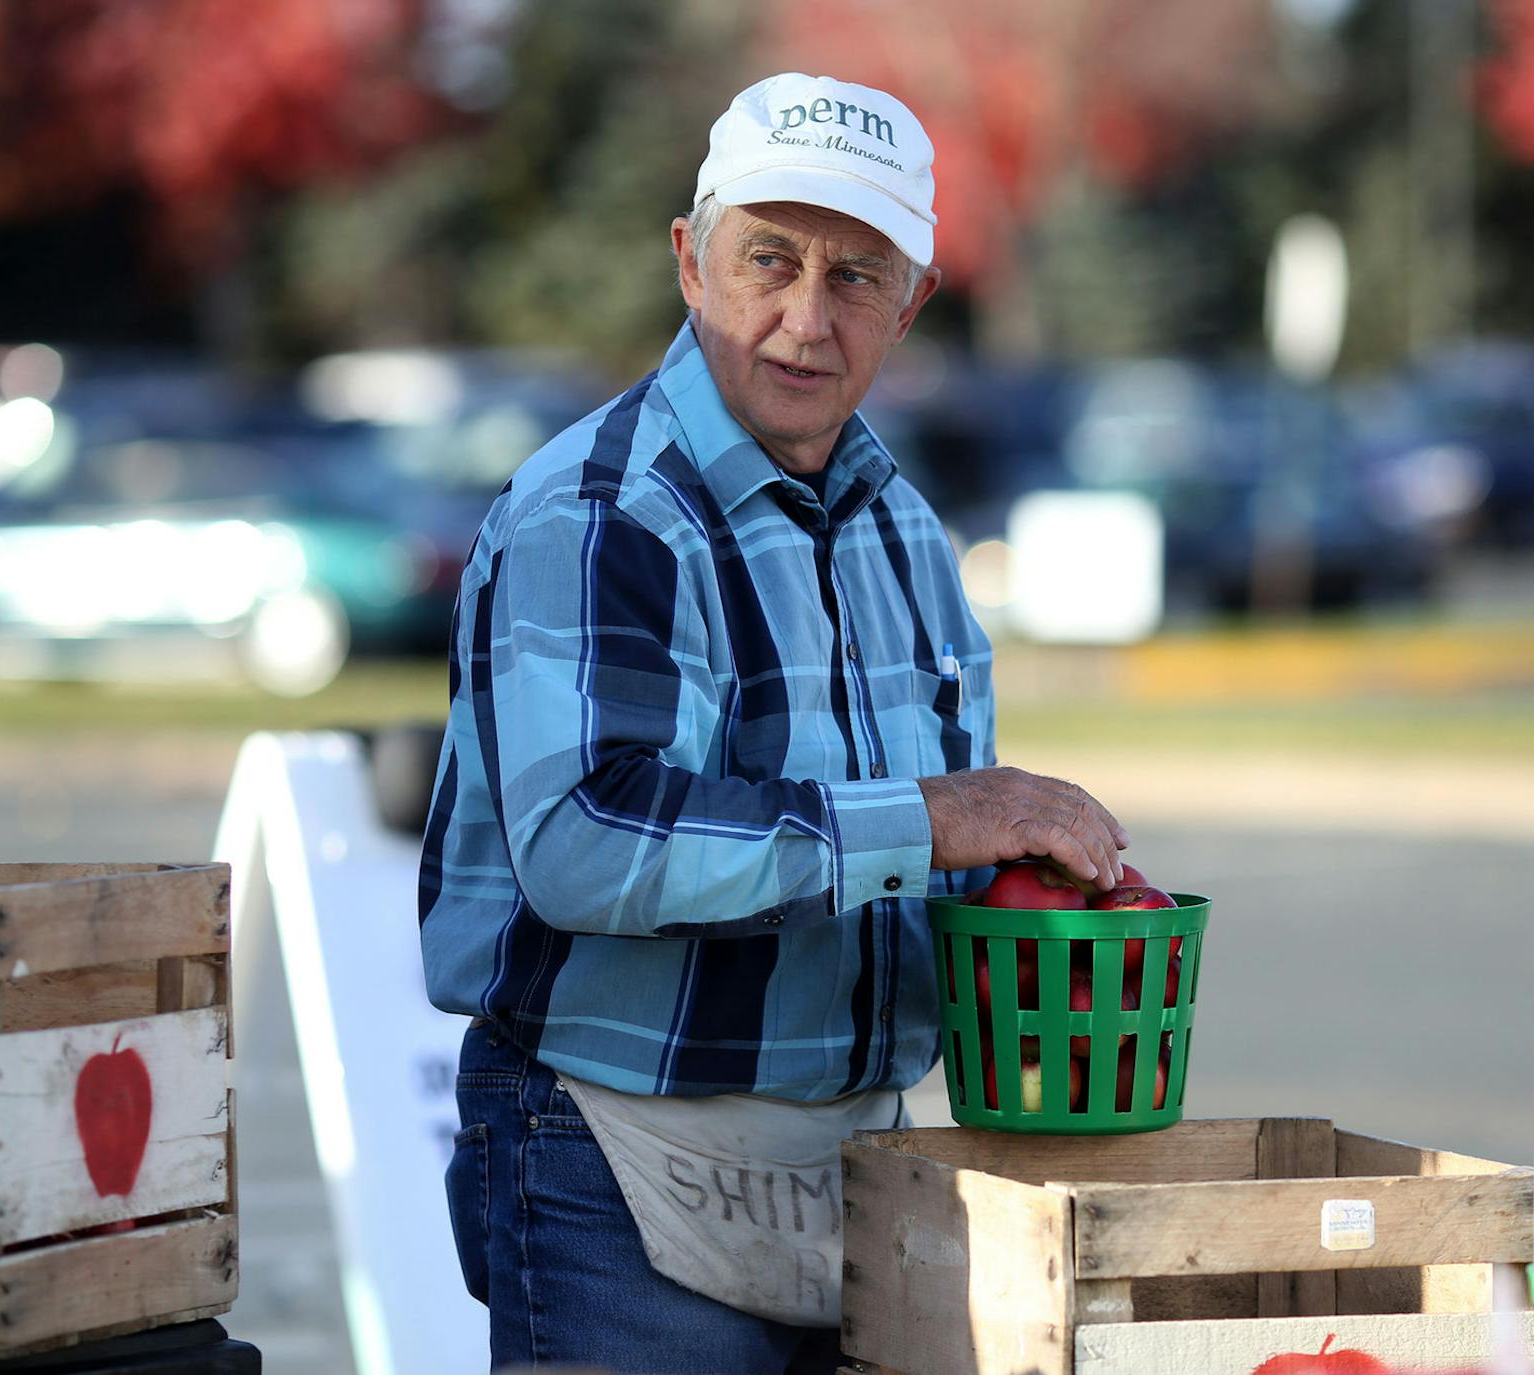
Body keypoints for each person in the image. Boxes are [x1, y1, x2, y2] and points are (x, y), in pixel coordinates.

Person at [417, 72, 1129, 1374]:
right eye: (770, 260)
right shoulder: (602, 510)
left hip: (859, 1160)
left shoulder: (907, 531)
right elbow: (587, 842)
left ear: (912, 302)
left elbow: (938, 865)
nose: (807, 320)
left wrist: (1070, 917)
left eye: (859, 277)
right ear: (692, 263)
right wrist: (935, 818)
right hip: (614, 1156)